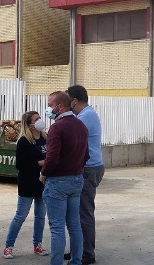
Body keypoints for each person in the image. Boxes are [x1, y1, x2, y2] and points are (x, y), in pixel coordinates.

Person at [40, 91, 89, 265]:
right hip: (77, 179)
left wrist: (44, 174)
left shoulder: (57, 127)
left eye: (50, 105)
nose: (48, 109)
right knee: (74, 225)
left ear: (59, 106)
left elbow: (52, 158)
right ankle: (76, 261)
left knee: (57, 228)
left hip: (58, 181)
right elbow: (86, 155)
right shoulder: (80, 125)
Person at [2, 111, 49, 259]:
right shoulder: (23, 141)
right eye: (36, 119)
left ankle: (37, 245)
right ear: (30, 124)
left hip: (43, 183)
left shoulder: (44, 138)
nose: (40, 121)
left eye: (40, 118)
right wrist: (39, 163)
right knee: (20, 216)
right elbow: (20, 164)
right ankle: (8, 246)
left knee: (41, 216)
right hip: (28, 184)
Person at [66, 85, 102, 265]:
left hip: (89, 168)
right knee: (77, 213)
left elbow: (71, 137)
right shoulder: (84, 115)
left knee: (84, 213)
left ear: (74, 101)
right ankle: (77, 251)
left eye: (67, 100)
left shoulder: (85, 117)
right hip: (89, 167)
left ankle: (87, 253)